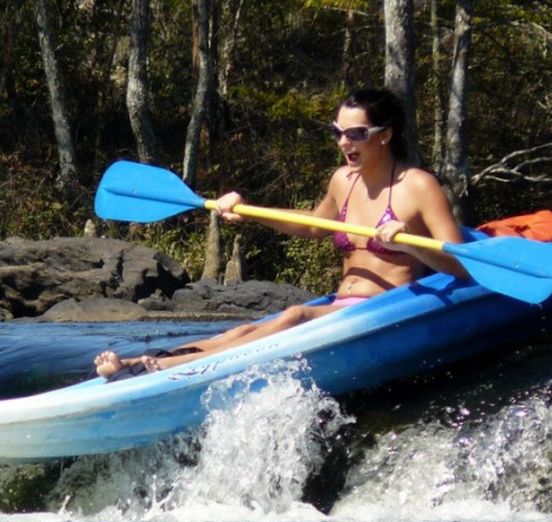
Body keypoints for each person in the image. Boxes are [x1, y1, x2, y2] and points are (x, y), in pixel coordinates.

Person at [95, 88, 467, 379]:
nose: (343, 143)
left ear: (385, 135)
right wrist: (248, 210)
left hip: (386, 309)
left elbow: (461, 264)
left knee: (294, 315)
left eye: (356, 134)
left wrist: (408, 245)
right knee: (238, 333)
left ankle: (167, 371)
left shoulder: (418, 185)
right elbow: (310, 224)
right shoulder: (343, 180)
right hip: (340, 306)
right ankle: (145, 360)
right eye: (338, 132)